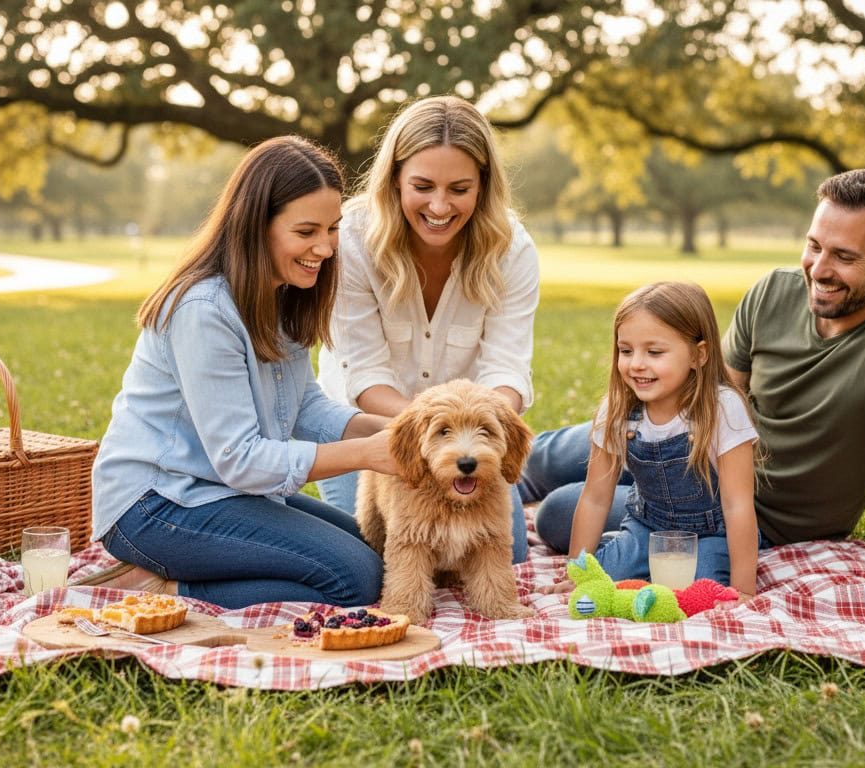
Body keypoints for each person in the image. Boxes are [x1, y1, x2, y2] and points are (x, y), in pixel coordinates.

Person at [525, 169, 865, 576]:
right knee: (546, 456)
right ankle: (488, 481)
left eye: (844, 256)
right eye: (814, 246)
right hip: (693, 453)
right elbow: (714, 392)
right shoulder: (774, 291)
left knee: (560, 512)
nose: (819, 269)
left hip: (753, 512)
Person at [81, 136, 398, 609]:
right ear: (256, 226)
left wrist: (397, 430)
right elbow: (241, 459)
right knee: (356, 580)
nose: (326, 248)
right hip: (155, 506)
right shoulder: (203, 309)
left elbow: (305, 406)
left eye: (332, 229)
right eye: (306, 231)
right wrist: (367, 453)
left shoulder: (281, 295)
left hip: (222, 493)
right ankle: (159, 586)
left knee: (380, 552)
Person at [315, 95, 540, 564]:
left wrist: (473, 438)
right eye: (422, 185)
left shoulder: (512, 248)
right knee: (374, 561)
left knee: (506, 556)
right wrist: (430, 435)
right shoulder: (351, 240)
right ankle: (548, 462)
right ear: (395, 178)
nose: (439, 205)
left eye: (459, 188)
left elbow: (507, 368)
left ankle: (533, 463)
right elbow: (364, 377)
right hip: (364, 433)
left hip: (472, 436)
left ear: (482, 186)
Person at [546, 282, 760, 598]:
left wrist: (745, 590)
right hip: (646, 529)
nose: (636, 364)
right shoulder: (618, 410)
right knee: (600, 585)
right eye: (626, 350)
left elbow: (737, 503)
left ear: (698, 355)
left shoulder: (721, 409)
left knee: (695, 591)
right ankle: (622, 553)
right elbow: (595, 497)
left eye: (654, 352)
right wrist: (579, 572)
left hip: (711, 534)